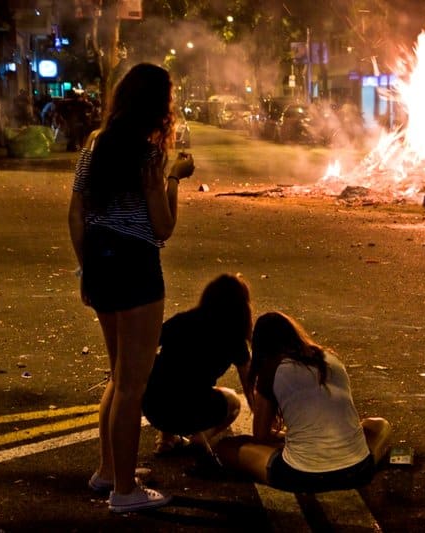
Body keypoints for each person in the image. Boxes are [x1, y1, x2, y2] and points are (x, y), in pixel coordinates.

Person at [68, 63, 195, 513]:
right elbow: (162, 227)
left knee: (118, 374)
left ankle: (108, 472)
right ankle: (125, 491)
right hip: (136, 268)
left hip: (100, 265)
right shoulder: (146, 157)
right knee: (131, 385)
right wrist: (175, 180)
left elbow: (76, 217)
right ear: (157, 106)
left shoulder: (94, 148)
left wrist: (87, 272)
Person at [215, 312, 392, 493]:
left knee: (227, 447)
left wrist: (281, 437)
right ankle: (359, 458)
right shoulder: (330, 358)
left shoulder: (271, 369)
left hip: (302, 475)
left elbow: (260, 436)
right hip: (357, 471)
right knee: (379, 424)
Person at [142, 273, 254, 455]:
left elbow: (146, 346)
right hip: (193, 411)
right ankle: (201, 438)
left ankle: (166, 440)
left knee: (170, 377)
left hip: (154, 407)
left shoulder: (181, 320)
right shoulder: (234, 338)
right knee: (233, 401)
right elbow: (249, 384)